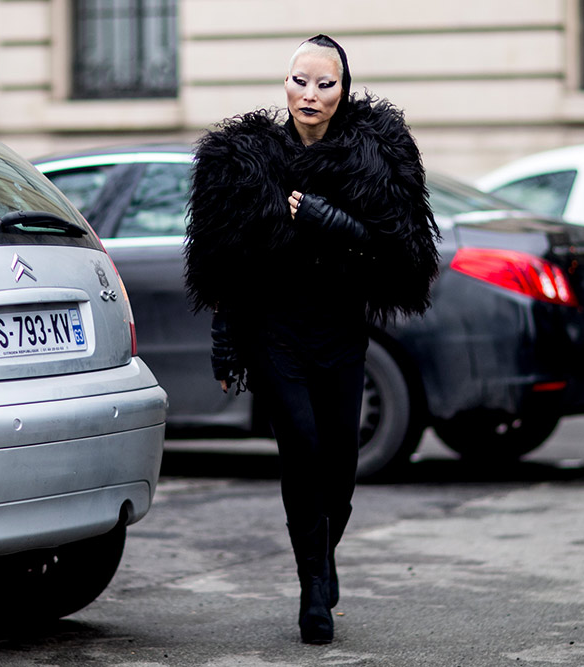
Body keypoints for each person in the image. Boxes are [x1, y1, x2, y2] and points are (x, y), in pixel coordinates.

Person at [184, 34, 439, 644]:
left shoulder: (375, 159)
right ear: (285, 83)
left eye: (325, 83)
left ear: (344, 90)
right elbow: (224, 264)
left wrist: (336, 223)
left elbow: (403, 255)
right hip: (276, 335)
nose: (311, 94)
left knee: (342, 472)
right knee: (301, 451)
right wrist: (226, 342)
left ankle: (323, 560)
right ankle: (311, 593)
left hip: (342, 333)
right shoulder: (247, 161)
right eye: (301, 80)